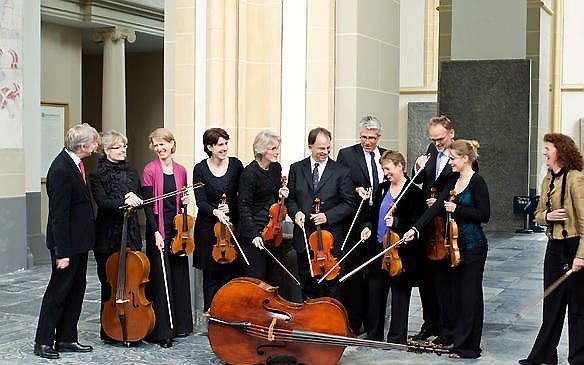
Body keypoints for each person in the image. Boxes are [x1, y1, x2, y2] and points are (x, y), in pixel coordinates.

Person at [404, 139, 489, 359]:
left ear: (465, 159)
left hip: (473, 247)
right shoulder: (452, 182)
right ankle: (459, 341)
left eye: (452, 159)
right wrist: (415, 229)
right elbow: (434, 211)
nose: (449, 162)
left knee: (470, 297)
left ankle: (469, 347)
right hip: (453, 247)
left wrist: (458, 209)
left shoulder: (477, 181)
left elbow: (484, 215)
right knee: (457, 296)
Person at [34, 123, 99, 359]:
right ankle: (43, 342)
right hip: (67, 245)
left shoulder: (76, 164)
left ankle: (66, 338)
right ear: (82, 146)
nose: (95, 147)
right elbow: (59, 216)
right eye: (93, 143)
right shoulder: (61, 169)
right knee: (58, 293)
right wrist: (62, 252)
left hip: (79, 243)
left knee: (76, 291)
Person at [519, 133, 584, 365]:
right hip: (554, 247)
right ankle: (544, 356)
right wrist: (548, 216)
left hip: (574, 246)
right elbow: (537, 215)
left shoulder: (576, 179)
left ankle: (578, 358)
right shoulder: (548, 179)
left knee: (578, 308)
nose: (544, 153)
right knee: (552, 304)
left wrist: (581, 256)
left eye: (547, 148)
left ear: (560, 151)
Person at [360, 150, 426, 343]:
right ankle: (374, 335)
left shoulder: (414, 192)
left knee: (399, 296)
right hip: (378, 249)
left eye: (388, 168)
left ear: (399, 166)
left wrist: (397, 223)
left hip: (400, 253)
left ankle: (396, 338)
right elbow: (371, 215)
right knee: (375, 294)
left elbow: (418, 223)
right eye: (383, 169)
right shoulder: (381, 189)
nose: (385, 173)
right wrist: (367, 227)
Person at [286, 127, 356, 300]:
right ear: (310, 147)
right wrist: (295, 214)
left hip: (329, 242)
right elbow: (290, 199)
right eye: (321, 148)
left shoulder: (341, 171)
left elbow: (349, 204)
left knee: (331, 289)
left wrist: (328, 216)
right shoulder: (296, 168)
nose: (325, 152)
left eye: (327, 148)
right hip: (304, 239)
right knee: (307, 287)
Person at [89, 130, 143, 344]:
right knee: (109, 283)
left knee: (133, 280)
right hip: (107, 234)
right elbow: (102, 203)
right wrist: (125, 200)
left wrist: (134, 197)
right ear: (105, 150)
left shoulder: (131, 170)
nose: (123, 150)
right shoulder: (97, 174)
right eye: (118, 147)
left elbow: (139, 193)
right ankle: (109, 329)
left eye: (124, 146)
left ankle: (134, 324)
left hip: (129, 231)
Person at [409, 115, 460, 344]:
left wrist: (438, 201)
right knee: (425, 280)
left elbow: (455, 190)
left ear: (451, 133)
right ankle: (430, 322)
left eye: (440, 139)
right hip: (426, 225)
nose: (437, 143)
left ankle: (448, 328)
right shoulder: (431, 149)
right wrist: (417, 166)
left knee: (444, 282)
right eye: (433, 139)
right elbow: (419, 180)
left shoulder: (462, 155)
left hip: (445, 226)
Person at [142, 128, 192, 348]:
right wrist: (155, 232)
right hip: (158, 230)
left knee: (179, 276)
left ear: (172, 144)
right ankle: (163, 332)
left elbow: (180, 202)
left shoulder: (181, 170)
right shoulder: (149, 170)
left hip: (178, 230)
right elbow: (148, 206)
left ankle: (180, 326)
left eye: (163, 144)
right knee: (162, 280)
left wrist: (186, 202)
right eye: (156, 145)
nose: (159, 148)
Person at [337, 115, 386, 335]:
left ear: (378, 137)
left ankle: (374, 325)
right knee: (354, 276)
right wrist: (355, 190)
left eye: (371, 138)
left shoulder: (386, 155)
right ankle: (354, 324)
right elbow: (340, 183)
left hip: (379, 222)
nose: (367, 142)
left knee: (376, 276)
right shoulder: (346, 155)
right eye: (363, 137)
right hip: (355, 223)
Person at [192, 128, 244, 313]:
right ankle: (211, 313)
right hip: (208, 227)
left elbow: (242, 197)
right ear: (210, 147)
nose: (224, 148)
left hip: (230, 225)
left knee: (230, 271)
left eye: (225, 144)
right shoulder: (200, 169)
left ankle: (228, 312)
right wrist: (215, 211)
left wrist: (231, 208)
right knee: (211, 273)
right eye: (220, 145)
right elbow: (201, 202)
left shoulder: (236, 165)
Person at [238, 131, 289, 287]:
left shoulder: (275, 168)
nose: (277, 152)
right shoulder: (249, 173)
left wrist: (280, 192)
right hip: (254, 231)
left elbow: (272, 195)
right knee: (257, 278)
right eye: (273, 148)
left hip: (273, 230)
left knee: (276, 277)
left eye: (277, 148)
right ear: (261, 150)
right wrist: (254, 234)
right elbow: (244, 205)